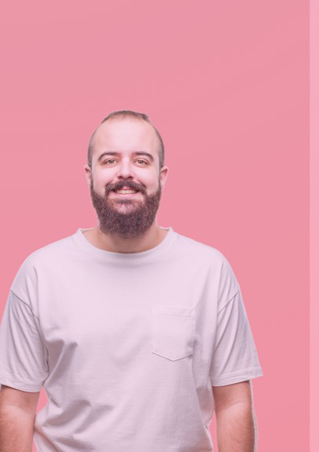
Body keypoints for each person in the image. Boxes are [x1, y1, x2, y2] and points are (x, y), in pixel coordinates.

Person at [0, 110, 261, 452]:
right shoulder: (41, 272)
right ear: (89, 174)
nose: (125, 172)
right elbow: (16, 406)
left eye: (141, 160)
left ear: (161, 175)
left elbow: (233, 403)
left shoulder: (208, 270)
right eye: (110, 160)